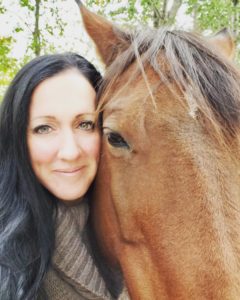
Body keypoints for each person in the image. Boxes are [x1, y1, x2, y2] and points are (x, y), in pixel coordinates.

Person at [0, 53, 115, 300]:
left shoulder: (137, 222)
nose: (70, 151)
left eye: (85, 124)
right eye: (44, 128)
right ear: (18, 139)